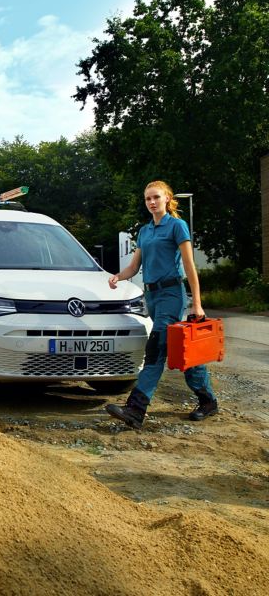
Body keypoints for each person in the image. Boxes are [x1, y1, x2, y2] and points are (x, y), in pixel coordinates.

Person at [105, 181, 217, 429]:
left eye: (156, 197)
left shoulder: (177, 226)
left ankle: (136, 409)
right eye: (147, 199)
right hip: (152, 297)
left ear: (167, 198)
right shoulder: (144, 232)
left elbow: (189, 266)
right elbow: (135, 267)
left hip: (172, 294)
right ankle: (208, 400)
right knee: (182, 350)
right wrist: (118, 277)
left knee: (155, 348)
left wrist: (196, 303)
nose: (152, 202)